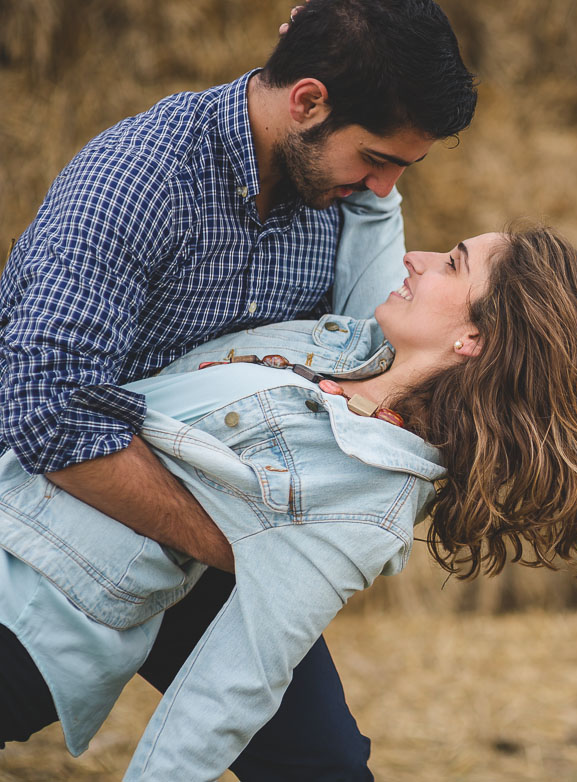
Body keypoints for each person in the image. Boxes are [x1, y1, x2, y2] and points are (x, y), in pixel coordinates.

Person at [0, 0, 476, 778]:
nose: (382, 186)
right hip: (61, 522)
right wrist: (251, 549)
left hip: (217, 532)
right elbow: (51, 415)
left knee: (320, 764)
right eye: (377, 159)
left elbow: (374, 344)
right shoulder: (136, 181)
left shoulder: (335, 191)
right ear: (308, 102)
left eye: (400, 171)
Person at [0, 224, 577, 779]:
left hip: (41, 601)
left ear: (473, 340)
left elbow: (235, 684)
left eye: (453, 263)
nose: (415, 259)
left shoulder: (361, 501)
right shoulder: (358, 347)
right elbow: (371, 214)